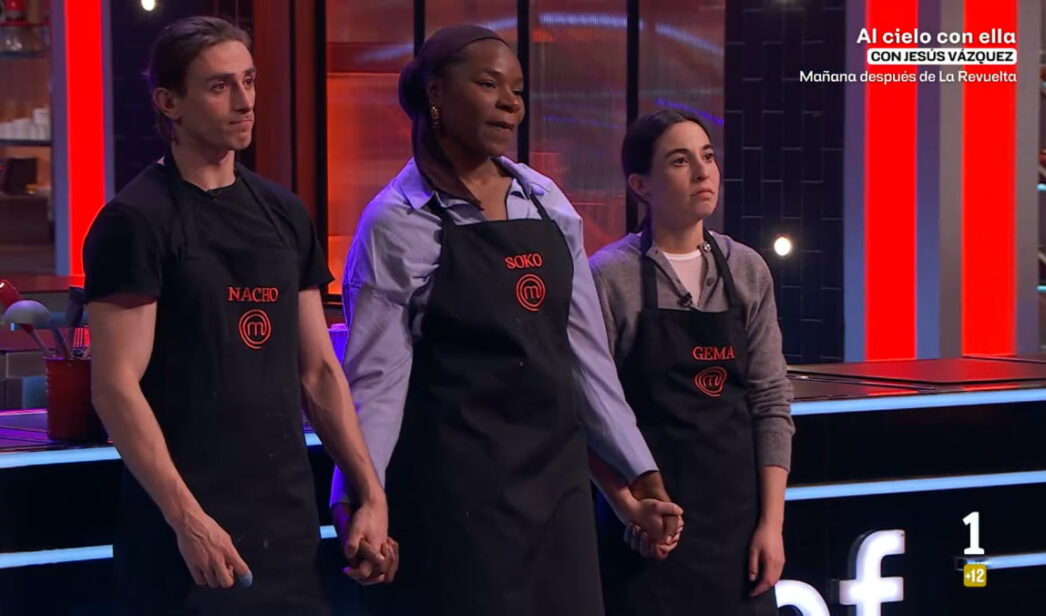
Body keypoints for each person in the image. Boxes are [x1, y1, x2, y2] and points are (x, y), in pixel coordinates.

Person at [329, 24, 680, 616]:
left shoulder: (545, 201)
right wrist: (361, 499)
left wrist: (637, 474)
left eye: (517, 89)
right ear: (436, 93)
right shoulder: (396, 220)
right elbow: (376, 384)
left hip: (557, 489)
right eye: (489, 85)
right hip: (455, 494)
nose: (511, 103)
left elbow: (587, 359)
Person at [83, 16, 393, 615]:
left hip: (286, 523)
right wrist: (187, 519)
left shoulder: (283, 213)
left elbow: (318, 372)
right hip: (184, 532)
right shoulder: (136, 222)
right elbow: (115, 388)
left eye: (248, 80)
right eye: (220, 86)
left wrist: (369, 493)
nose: (245, 101)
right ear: (168, 103)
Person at [589, 109, 795, 615]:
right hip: (648, 530)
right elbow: (588, 414)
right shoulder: (608, 277)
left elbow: (771, 401)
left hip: (738, 529)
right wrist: (627, 507)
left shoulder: (747, 269)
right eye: (680, 161)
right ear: (640, 185)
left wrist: (771, 525)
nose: (703, 172)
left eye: (707, 156)